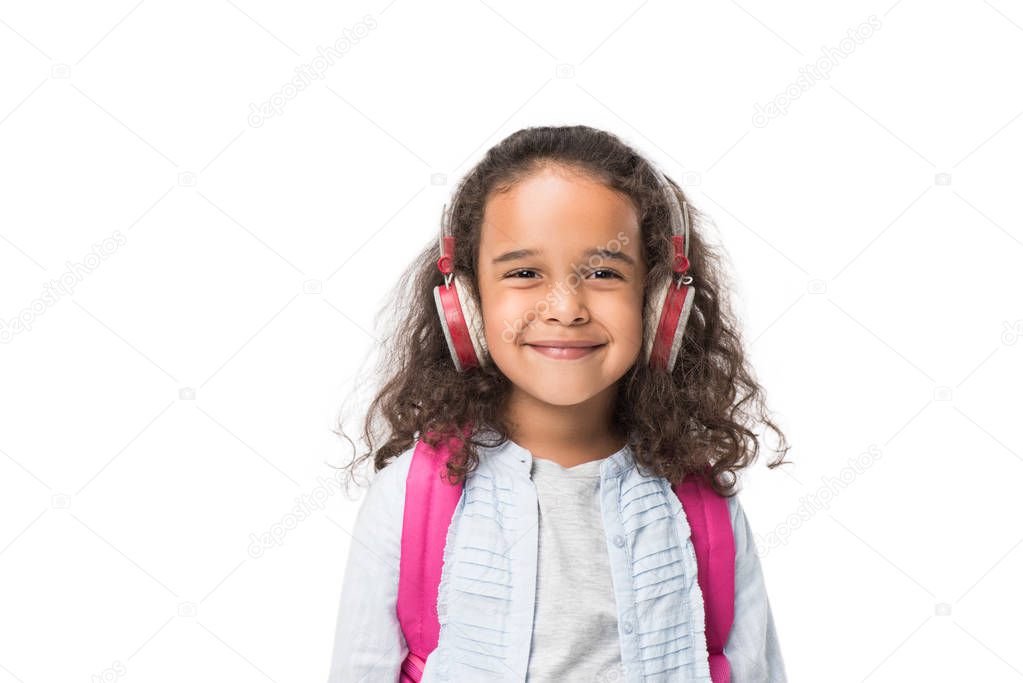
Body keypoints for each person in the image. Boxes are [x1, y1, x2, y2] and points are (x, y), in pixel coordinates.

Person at [328, 125, 791, 682]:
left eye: (603, 273)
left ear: (660, 305)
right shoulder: (410, 494)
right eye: (524, 273)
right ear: (466, 305)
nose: (565, 308)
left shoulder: (702, 504)